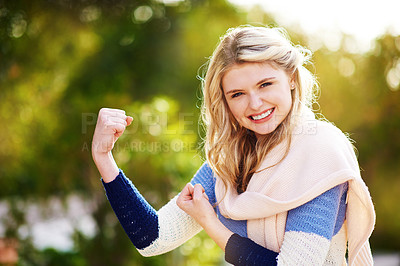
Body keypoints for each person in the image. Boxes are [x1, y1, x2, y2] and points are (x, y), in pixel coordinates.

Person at [91, 25, 375, 265]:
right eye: (238, 93)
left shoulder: (321, 152)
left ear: (290, 78)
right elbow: (151, 237)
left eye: (265, 85)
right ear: (224, 101)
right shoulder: (227, 161)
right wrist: (104, 158)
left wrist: (211, 224)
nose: (254, 104)